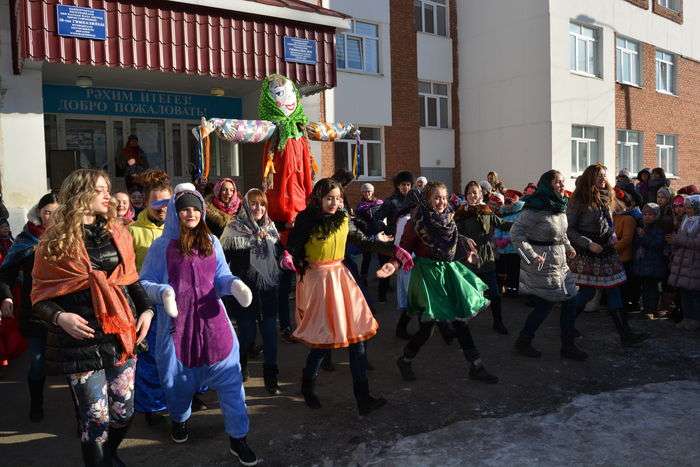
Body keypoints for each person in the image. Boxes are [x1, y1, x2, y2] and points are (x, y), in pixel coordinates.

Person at [30, 169, 153, 466]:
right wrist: (61, 318)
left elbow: (130, 279)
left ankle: (110, 454)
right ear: (81, 195)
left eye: (108, 189)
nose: (108, 195)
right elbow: (39, 297)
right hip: (79, 342)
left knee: (123, 412)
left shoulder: (117, 232)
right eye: (100, 189)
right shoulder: (53, 242)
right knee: (95, 420)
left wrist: (148, 310)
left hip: (120, 334)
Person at [139, 184, 259, 465]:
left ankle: (238, 439)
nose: (190, 213)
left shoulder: (212, 242)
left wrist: (234, 285)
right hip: (177, 330)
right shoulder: (161, 247)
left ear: (202, 211)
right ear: (175, 214)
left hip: (214, 325)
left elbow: (220, 276)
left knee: (231, 382)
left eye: (195, 208)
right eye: (184, 209)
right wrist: (164, 292)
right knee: (177, 384)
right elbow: (144, 284)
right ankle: (180, 419)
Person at [286, 178, 405, 415]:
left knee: (357, 339)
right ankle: (307, 387)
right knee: (322, 341)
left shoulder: (343, 220)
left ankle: (363, 399)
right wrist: (290, 259)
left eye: (338, 198)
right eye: (329, 198)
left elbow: (363, 241)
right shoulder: (306, 220)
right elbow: (293, 249)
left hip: (341, 279)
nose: (334, 203)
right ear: (318, 198)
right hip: (318, 282)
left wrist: (394, 250)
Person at [393, 181, 498, 383]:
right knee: (427, 327)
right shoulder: (417, 222)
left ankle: (476, 366)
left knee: (460, 321)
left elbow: (452, 239)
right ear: (427, 199)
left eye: (443, 197)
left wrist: (467, 247)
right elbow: (404, 247)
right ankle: (405, 359)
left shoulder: (448, 218)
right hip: (428, 275)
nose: (441, 202)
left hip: (448, 272)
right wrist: (393, 264)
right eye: (436, 198)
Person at [566, 164, 648, 346]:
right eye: (599, 176)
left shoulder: (607, 195)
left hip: (607, 251)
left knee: (613, 289)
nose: (603, 179)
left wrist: (611, 235)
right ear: (590, 178)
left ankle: (625, 334)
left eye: (604, 175)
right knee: (587, 292)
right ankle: (567, 325)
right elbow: (569, 230)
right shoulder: (578, 199)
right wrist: (588, 244)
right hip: (589, 251)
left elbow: (614, 219)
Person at [510, 170, 587, 360]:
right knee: (546, 305)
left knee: (569, 301)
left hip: (560, 262)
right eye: (558, 182)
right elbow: (516, 233)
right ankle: (524, 341)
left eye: (562, 182)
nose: (562, 185)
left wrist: (569, 247)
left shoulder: (559, 206)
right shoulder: (534, 208)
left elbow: (561, 233)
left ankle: (567, 346)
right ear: (547, 185)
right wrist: (531, 255)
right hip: (543, 263)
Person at [0, 193, 58, 421]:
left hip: (68, 311)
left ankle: (84, 414)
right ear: (38, 213)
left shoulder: (72, 238)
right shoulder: (26, 241)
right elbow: (5, 274)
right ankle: (36, 404)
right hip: (34, 313)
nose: (51, 217)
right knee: (37, 362)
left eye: (56, 212)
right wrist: (6, 297)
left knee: (75, 367)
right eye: (47, 212)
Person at [221, 189, 283, 395]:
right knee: (246, 335)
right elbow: (221, 261)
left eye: (262, 204)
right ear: (246, 205)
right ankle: (242, 365)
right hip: (244, 293)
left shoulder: (271, 229)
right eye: (254, 204)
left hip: (267, 292)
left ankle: (271, 376)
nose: (258, 208)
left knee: (270, 335)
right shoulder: (233, 229)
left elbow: (279, 256)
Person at [455, 181, 510, 334]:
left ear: (481, 194)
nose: (474, 195)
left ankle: (498, 322)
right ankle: (459, 324)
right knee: (466, 294)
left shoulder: (486, 210)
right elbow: (455, 234)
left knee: (494, 294)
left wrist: (520, 223)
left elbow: (501, 224)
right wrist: (464, 241)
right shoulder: (460, 213)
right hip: (468, 258)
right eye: (471, 192)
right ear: (466, 195)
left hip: (486, 257)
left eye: (477, 192)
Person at [668, 195, 700, 331]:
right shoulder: (686, 219)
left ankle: (696, 319)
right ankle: (687, 318)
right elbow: (681, 236)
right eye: (686, 207)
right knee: (684, 291)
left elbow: (697, 243)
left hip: (694, 260)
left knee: (694, 292)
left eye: (689, 207)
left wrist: (677, 240)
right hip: (682, 260)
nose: (686, 210)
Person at [634, 204, 670, 320]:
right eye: (645, 214)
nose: (647, 217)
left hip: (654, 263)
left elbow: (657, 244)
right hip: (644, 263)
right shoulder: (644, 227)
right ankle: (646, 308)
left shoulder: (658, 228)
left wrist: (643, 237)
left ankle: (651, 309)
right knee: (645, 287)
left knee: (652, 288)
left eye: (650, 214)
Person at [613, 189, 640, 314]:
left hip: (624, 257)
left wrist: (611, 250)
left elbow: (626, 240)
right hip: (614, 256)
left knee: (625, 285)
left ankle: (626, 305)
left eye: (616, 202)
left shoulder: (628, 219)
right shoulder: (614, 216)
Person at [495, 189, 524, 296]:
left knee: (514, 270)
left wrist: (509, 239)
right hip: (502, 249)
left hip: (515, 248)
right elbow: (498, 225)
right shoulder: (502, 212)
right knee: (503, 269)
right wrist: (498, 238)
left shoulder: (521, 213)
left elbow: (521, 228)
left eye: (511, 197)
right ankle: (505, 288)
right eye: (507, 196)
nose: (508, 199)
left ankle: (514, 289)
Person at [356, 182, 384, 286]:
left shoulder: (379, 202)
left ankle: (384, 280)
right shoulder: (360, 205)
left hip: (379, 234)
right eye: (364, 191)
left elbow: (384, 216)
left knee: (382, 257)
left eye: (369, 191)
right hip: (367, 234)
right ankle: (364, 279)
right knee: (366, 258)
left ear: (372, 192)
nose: (367, 193)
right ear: (362, 192)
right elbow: (358, 220)